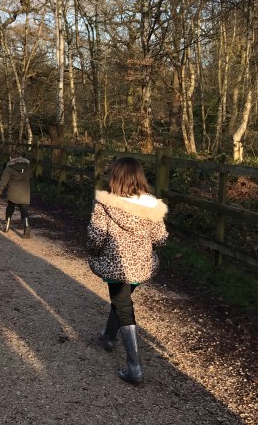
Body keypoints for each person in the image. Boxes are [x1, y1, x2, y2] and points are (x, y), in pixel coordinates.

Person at [86, 157, 168, 384]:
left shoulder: (105, 203)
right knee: (121, 300)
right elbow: (161, 238)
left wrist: (95, 253)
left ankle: (134, 367)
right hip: (140, 266)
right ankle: (108, 337)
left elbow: (96, 236)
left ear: (115, 176)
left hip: (115, 265)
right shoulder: (151, 205)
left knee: (123, 305)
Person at [0, 150, 32, 237]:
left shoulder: (10, 167)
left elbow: (4, 180)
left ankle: (7, 225)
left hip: (13, 191)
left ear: (11, 158)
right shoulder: (27, 166)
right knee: (24, 211)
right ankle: (26, 227)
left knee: (10, 208)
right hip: (25, 192)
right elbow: (31, 176)